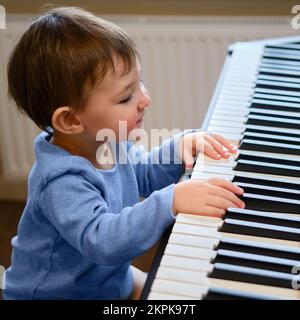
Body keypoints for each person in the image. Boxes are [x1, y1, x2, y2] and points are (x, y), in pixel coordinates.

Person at [3, 7, 245, 300]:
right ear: (70, 120)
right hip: (59, 293)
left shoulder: (106, 141)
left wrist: (177, 149)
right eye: (126, 96)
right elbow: (103, 239)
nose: (145, 99)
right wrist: (172, 200)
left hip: (105, 279)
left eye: (140, 82)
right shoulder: (60, 181)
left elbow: (141, 174)